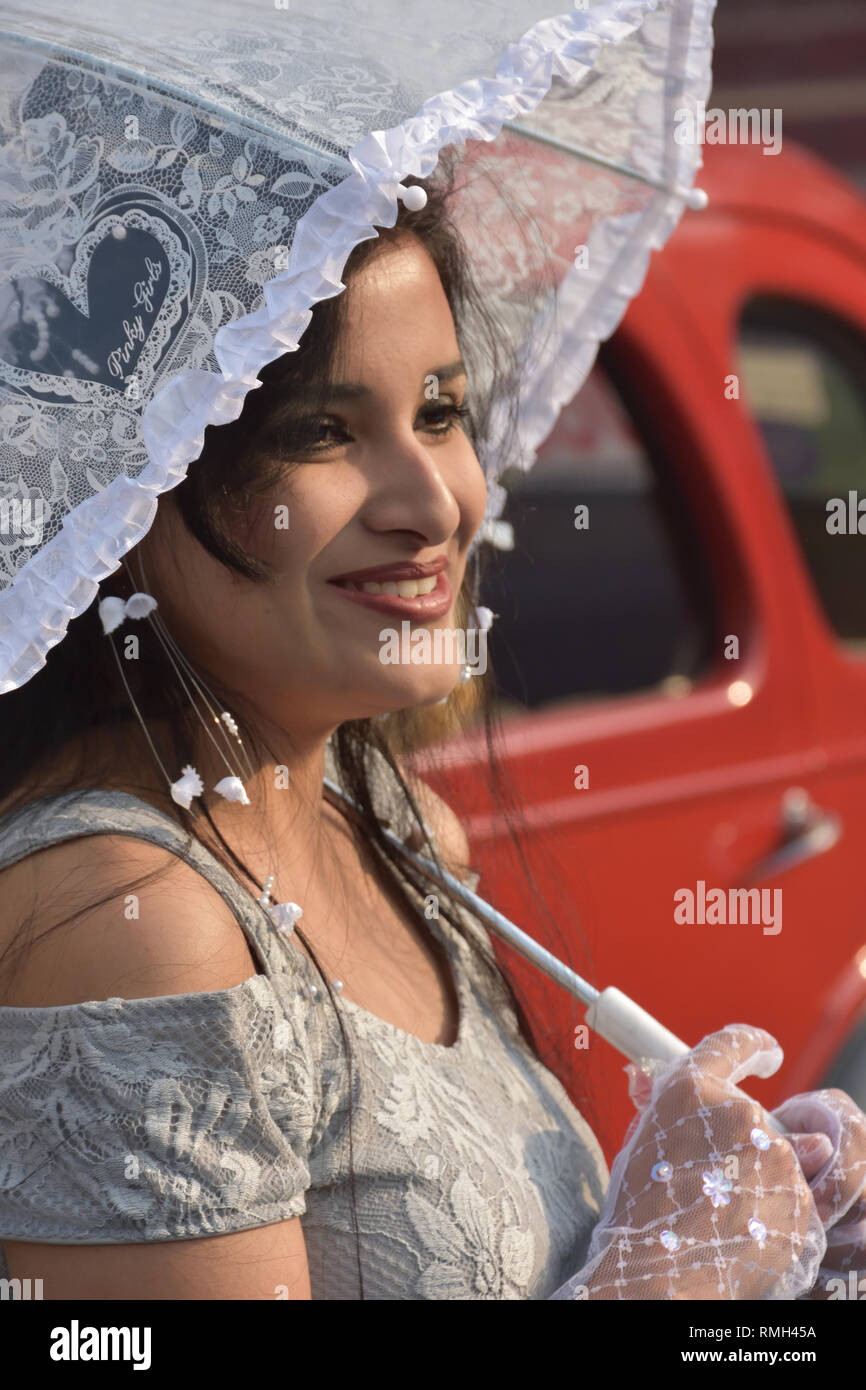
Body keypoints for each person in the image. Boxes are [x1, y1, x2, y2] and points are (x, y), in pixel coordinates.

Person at [0, 173, 863, 1301]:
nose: (437, 501)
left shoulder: (399, 828)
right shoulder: (131, 929)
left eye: (440, 412)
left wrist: (774, 1264)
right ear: (122, 476)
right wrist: (669, 1282)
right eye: (321, 430)